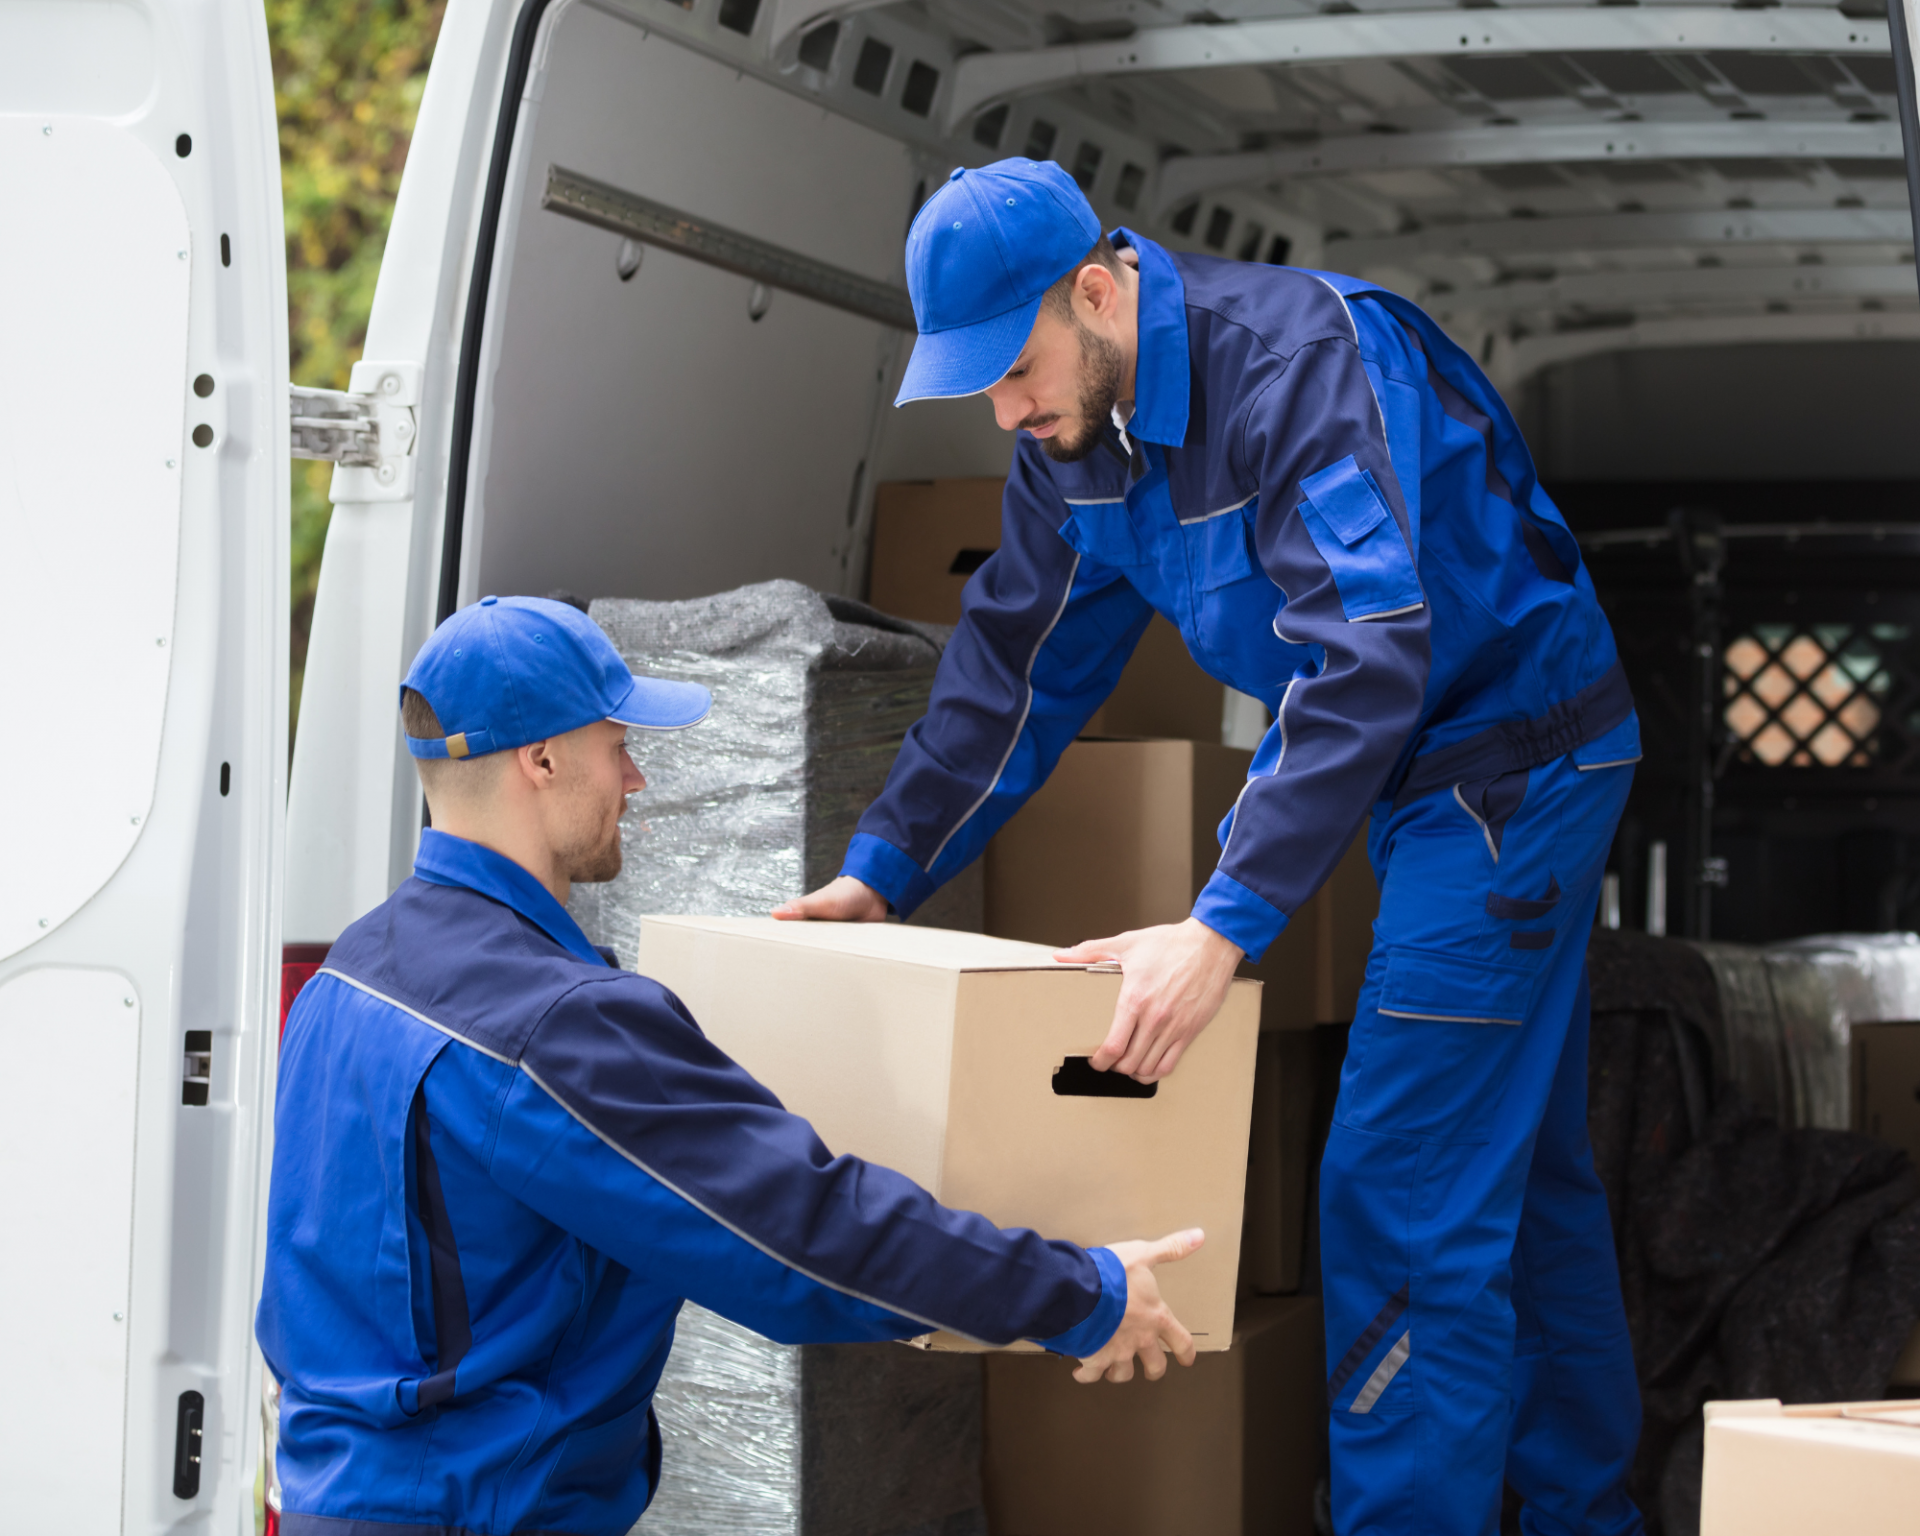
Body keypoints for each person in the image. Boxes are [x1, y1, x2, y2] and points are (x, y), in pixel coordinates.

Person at [776, 160, 1645, 1534]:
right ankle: (1588, 1516)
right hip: (1421, 774)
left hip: (1511, 764)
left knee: (1401, 1188)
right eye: (982, 388)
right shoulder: (1076, 448)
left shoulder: (1293, 367)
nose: (1007, 413)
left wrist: (1221, 925)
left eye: (1016, 369)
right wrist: (880, 872)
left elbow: (1367, 662)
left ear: (1101, 291)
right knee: (1516, 1178)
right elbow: (1014, 670)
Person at [255, 593, 1201, 1536]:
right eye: (615, 743)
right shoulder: (554, 1026)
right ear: (540, 760)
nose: (633, 778)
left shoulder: (352, 974)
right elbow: (802, 1236)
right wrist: (1081, 1292)